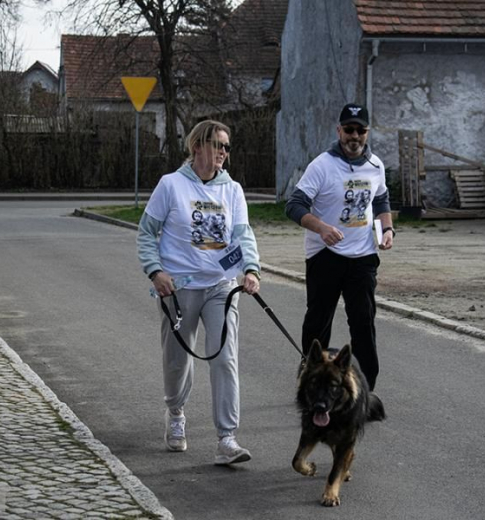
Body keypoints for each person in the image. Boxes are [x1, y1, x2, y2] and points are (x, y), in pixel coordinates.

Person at [137, 120, 261, 465]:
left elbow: (243, 235)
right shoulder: (171, 185)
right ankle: (175, 412)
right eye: (216, 144)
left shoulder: (232, 191)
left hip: (220, 287)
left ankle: (227, 438)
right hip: (178, 288)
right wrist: (155, 271)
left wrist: (251, 270)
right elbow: (146, 233)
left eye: (226, 146)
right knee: (178, 360)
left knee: (224, 358)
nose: (222, 152)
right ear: (197, 147)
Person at [285, 103, 394, 391]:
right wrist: (321, 228)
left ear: (367, 133)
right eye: (349, 130)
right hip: (325, 256)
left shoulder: (376, 166)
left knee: (363, 324)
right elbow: (294, 205)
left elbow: (380, 200)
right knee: (318, 324)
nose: (354, 136)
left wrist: (387, 229)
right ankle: (312, 380)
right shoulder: (321, 165)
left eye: (360, 130)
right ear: (339, 131)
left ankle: (366, 390)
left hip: (363, 257)